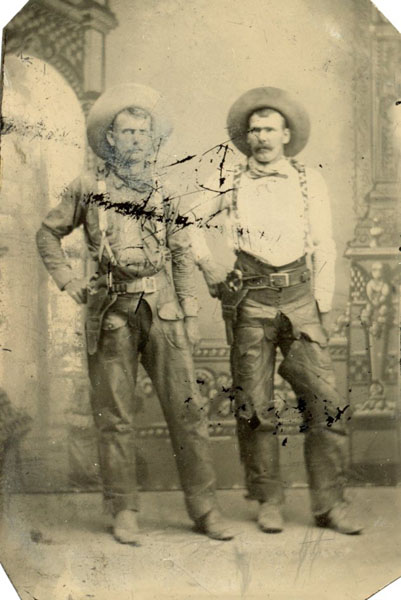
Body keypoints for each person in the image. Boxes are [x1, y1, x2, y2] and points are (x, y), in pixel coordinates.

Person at [36, 83, 234, 544]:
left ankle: (204, 508)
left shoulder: (167, 186)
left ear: (154, 139)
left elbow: (182, 252)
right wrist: (68, 282)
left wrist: (187, 312)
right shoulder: (89, 187)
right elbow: (47, 234)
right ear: (110, 138)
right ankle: (123, 509)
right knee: (115, 416)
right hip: (111, 312)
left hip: (162, 310)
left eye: (144, 133)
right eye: (126, 133)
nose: (136, 140)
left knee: (187, 412)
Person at [191, 86, 362, 535]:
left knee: (326, 399)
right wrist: (209, 266)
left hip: (303, 299)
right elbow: (184, 219)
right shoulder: (229, 179)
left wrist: (321, 305)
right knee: (255, 404)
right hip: (251, 300)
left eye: (269, 129)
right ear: (246, 137)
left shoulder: (310, 180)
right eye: (254, 130)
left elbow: (324, 243)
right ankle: (267, 498)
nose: (261, 137)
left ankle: (330, 505)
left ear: (286, 134)